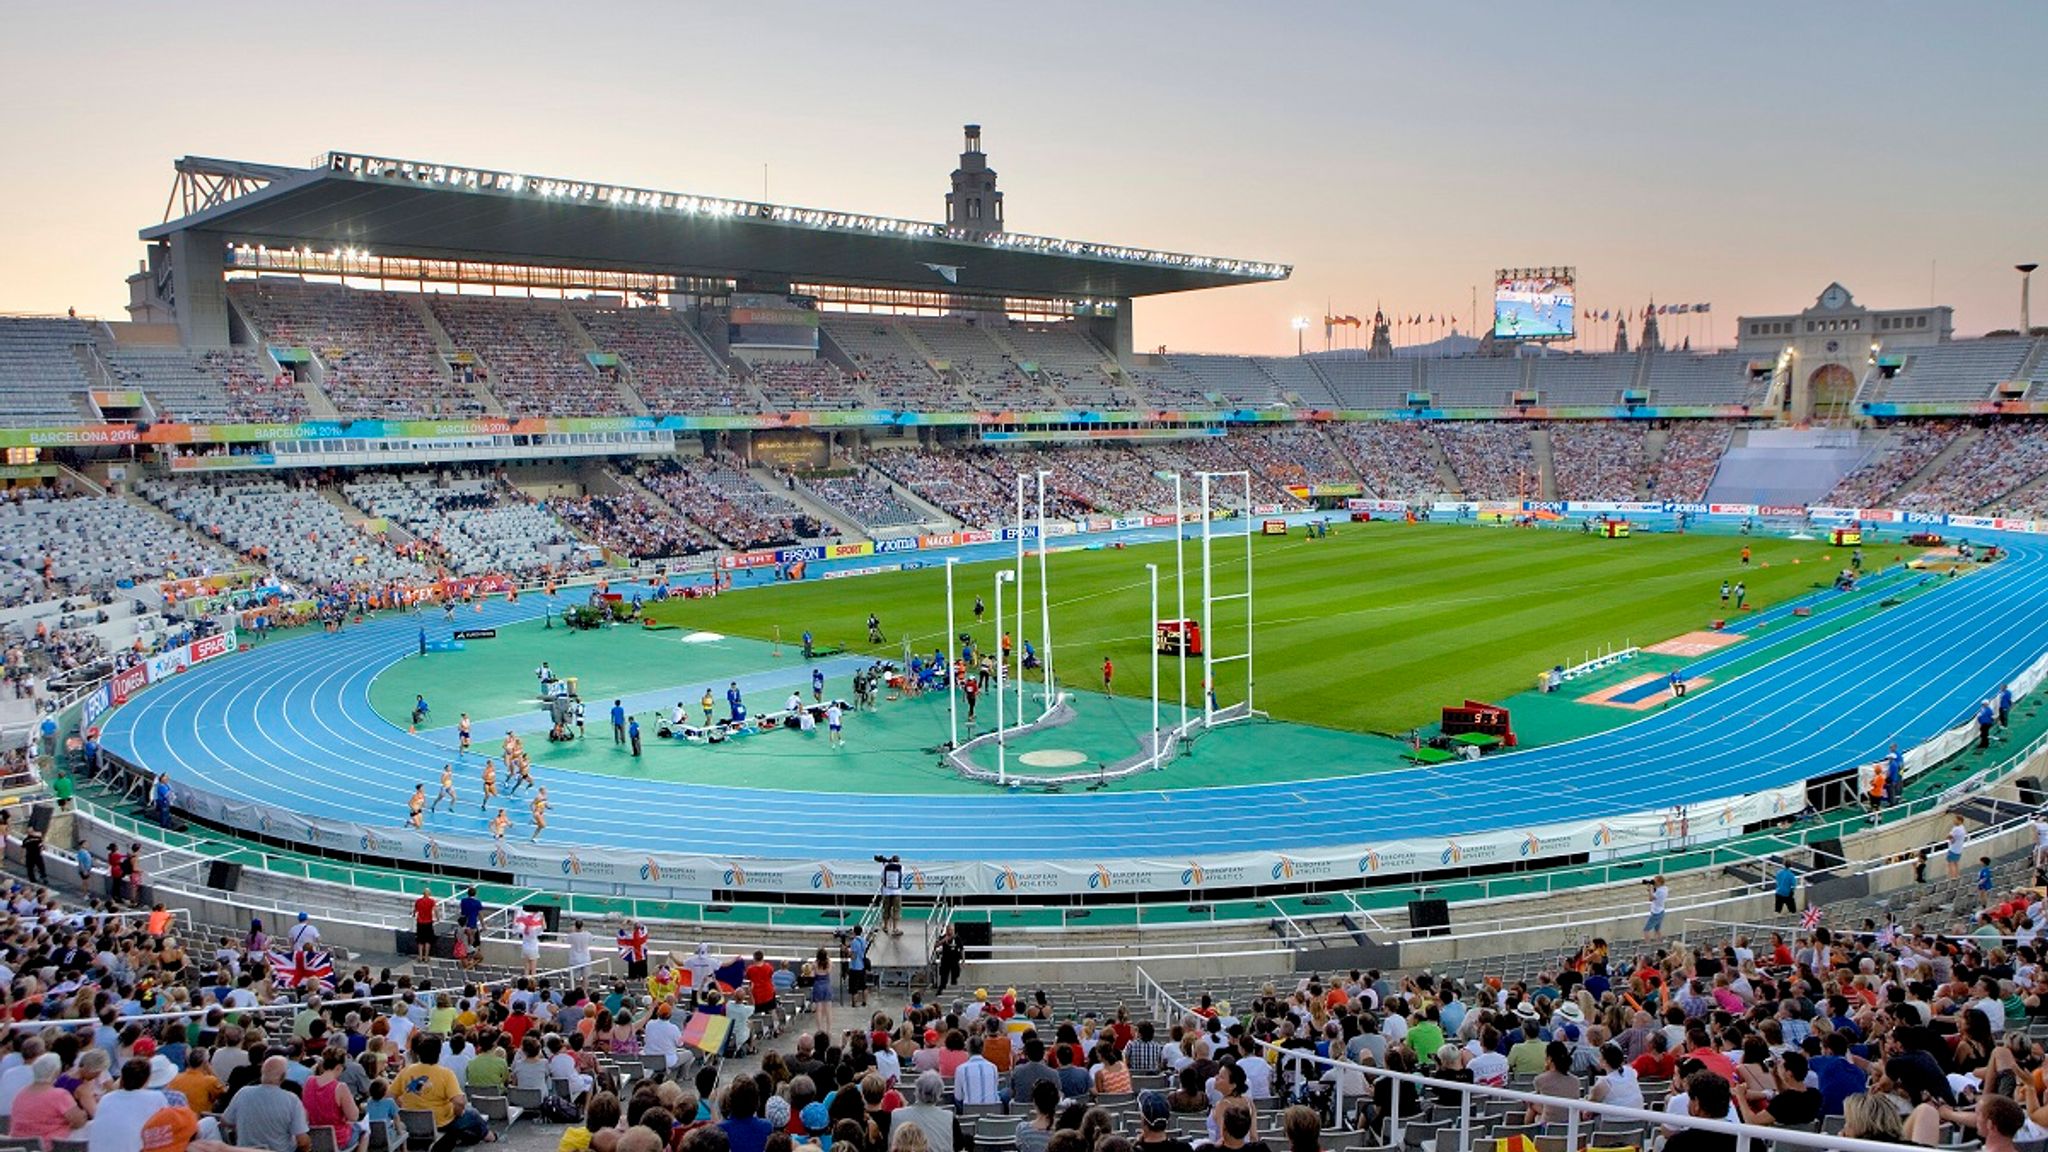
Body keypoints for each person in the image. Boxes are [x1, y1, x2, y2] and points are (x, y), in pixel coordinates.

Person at [396, 1037, 490, 1152]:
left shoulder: (406, 1071)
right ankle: (489, 1136)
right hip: (440, 1122)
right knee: (473, 1114)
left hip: (410, 1122)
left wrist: (402, 1108)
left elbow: (389, 1095)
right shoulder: (445, 1074)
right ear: (438, 1053)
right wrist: (458, 1112)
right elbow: (459, 1101)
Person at [222, 1057, 309, 1152]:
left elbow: (225, 1121)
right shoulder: (292, 1100)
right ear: (283, 1076)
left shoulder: (243, 1092)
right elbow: (302, 1141)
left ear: (262, 1072)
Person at [1663, 1071, 1735, 1152]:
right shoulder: (1744, 1139)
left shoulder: (1679, 1143)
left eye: (1690, 1099)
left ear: (1696, 1104)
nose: (1687, 1104)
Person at [876, 856, 904, 935]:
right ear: (898, 861)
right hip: (897, 892)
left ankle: (885, 926)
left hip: (886, 892)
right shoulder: (901, 867)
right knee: (896, 910)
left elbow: (882, 879)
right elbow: (901, 875)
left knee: (886, 909)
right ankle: (895, 929)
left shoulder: (885, 867)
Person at [413, 886, 438, 961]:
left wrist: (413, 915)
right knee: (428, 941)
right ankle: (426, 957)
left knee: (420, 941)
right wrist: (438, 918)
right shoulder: (431, 901)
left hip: (420, 923)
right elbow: (435, 910)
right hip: (428, 923)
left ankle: (420, 957)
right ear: (429, 894)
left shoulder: (418, 901)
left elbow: (415, 910)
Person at [1643, 875, 1669, 942]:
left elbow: (1650, 898)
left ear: (1659, 882)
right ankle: (1660, 943)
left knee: (1646, 930)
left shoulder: (1660, 891)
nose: (1653, 882)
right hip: (1661, 911)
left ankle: (1647, 946)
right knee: (1657, 930)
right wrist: (1651, 888)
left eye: (1655, 881)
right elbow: (1655, 891)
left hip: (1656, 913)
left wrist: (1650, 890)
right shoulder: (1665, 888)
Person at [848, 926, 869, 1006]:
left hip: (855, 967)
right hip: (862, 966)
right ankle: (864, 1002)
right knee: (864, 986)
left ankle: (854, 1003)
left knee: (854, 988)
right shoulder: (863, 940)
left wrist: (848, 952)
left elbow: (853, 956)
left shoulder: (854, 942)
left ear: (854, 932)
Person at [1948, 815, 1969, 879]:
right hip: (1959, 849)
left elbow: (1949, 836)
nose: (1954, 821)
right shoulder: (1962, 828)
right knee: (1956, 863)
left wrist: (1949, 837)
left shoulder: (1956, 829)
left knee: (1951, 863)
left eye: (1955, 820)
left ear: (1959, 821)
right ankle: (1957, 875)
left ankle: (1953, 877)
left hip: (1953, 849)